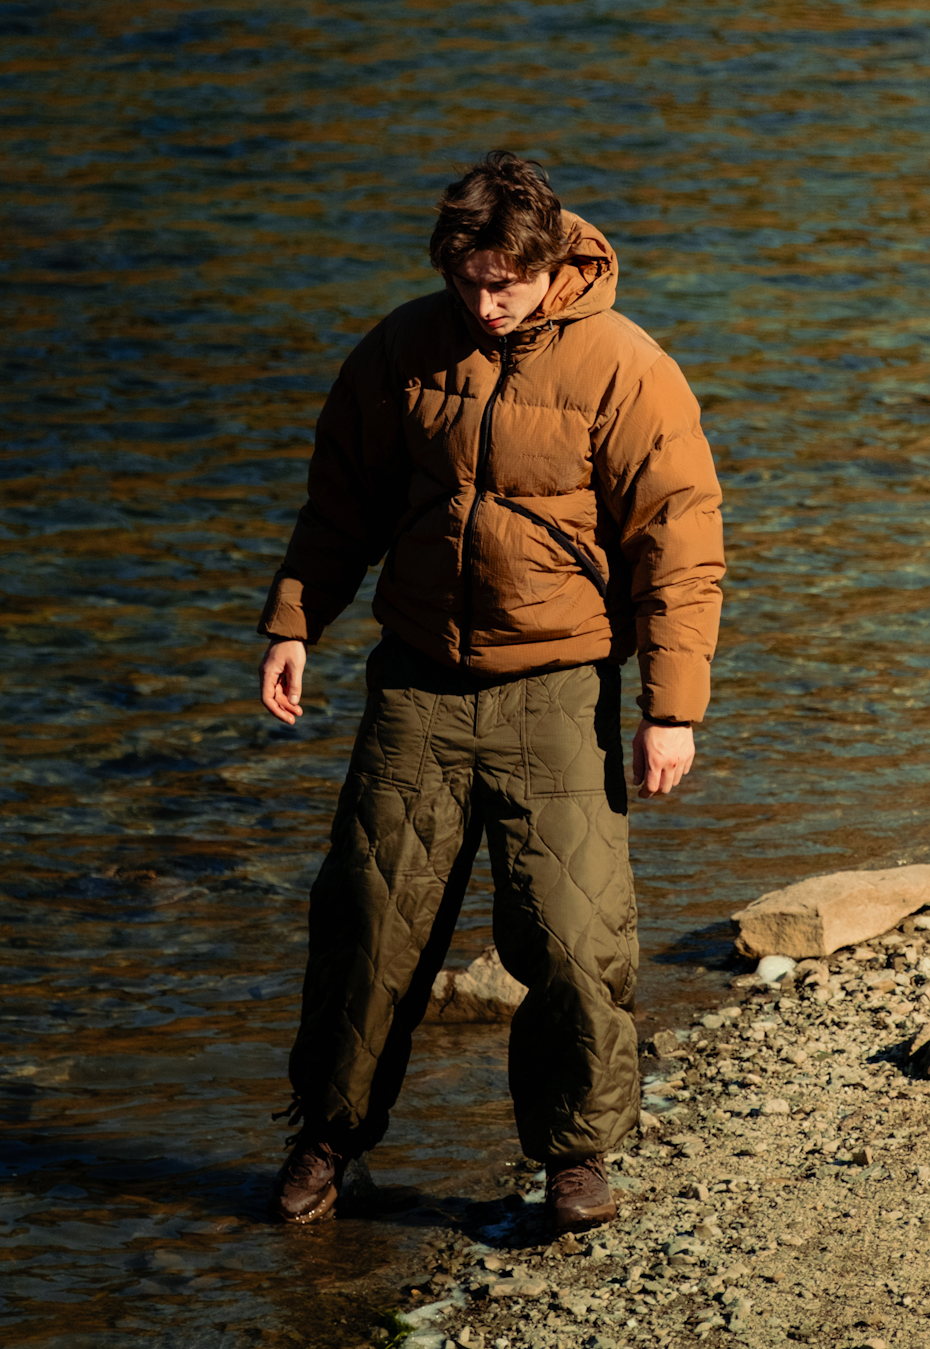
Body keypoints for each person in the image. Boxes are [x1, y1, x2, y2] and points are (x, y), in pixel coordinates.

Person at [257, 151, 725, 1234]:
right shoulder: (403, 348)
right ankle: (328, 1138)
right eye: (468, 280)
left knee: (572, 936)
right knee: (366, 926)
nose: (485, 303)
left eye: (504, 282)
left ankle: (574, 1158)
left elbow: (680, 544)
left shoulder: (626, 366)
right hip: (415, 689)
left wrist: (673, 706)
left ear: (551, 261)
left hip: (556, 690)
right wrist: (294, 622)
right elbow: (340, 504)